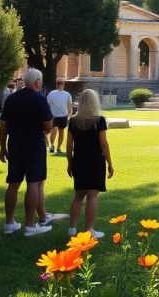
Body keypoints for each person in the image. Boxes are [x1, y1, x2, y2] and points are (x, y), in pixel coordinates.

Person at [0, 68, 56, 236]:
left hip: (15, 144)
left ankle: (9, 223)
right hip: (34, 145)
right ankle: (30, 225)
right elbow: (48, 126)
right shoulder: (40, 99)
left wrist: (2, 147)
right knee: (33, 182)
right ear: (37, 81)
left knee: (13, 183)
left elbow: (3, 125)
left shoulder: (12, 99)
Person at [65, 89, 114, 239]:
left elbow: (68, 145)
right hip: (95, 161)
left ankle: (72, 229)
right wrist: (110, 163)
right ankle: (89, 230)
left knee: (78, 196)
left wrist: (70, 163)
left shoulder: (73, 120)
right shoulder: (99, 120)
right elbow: (103, 144)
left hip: (79, 160)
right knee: (92, 197)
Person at [47, 79, 73, 154]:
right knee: (60, 131)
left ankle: (53, 146)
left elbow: (47, 105)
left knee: (55, 131)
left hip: (55, 115)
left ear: (56, 85)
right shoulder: (67, 94)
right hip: (61, 115)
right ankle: (57, 147)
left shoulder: (51, 93)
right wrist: (69, 115)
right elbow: (69, 106)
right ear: (63, 85)